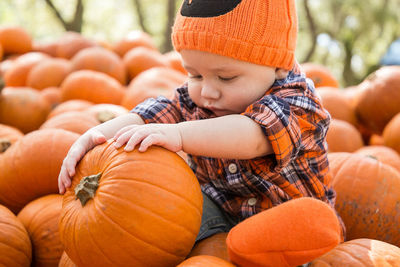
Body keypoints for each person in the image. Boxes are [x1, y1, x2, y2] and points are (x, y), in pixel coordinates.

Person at [58, 0, 344, 246]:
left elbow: (254, 134)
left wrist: (179, 134)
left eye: (226, 78)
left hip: (287, 221)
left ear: (278, 65)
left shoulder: (298, 101)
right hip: (221, 209)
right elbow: (154, 114)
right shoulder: (202, 98)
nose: (207, 91)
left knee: (302, 234)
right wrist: (95, 135)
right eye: (194, 75)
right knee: (152, 224)